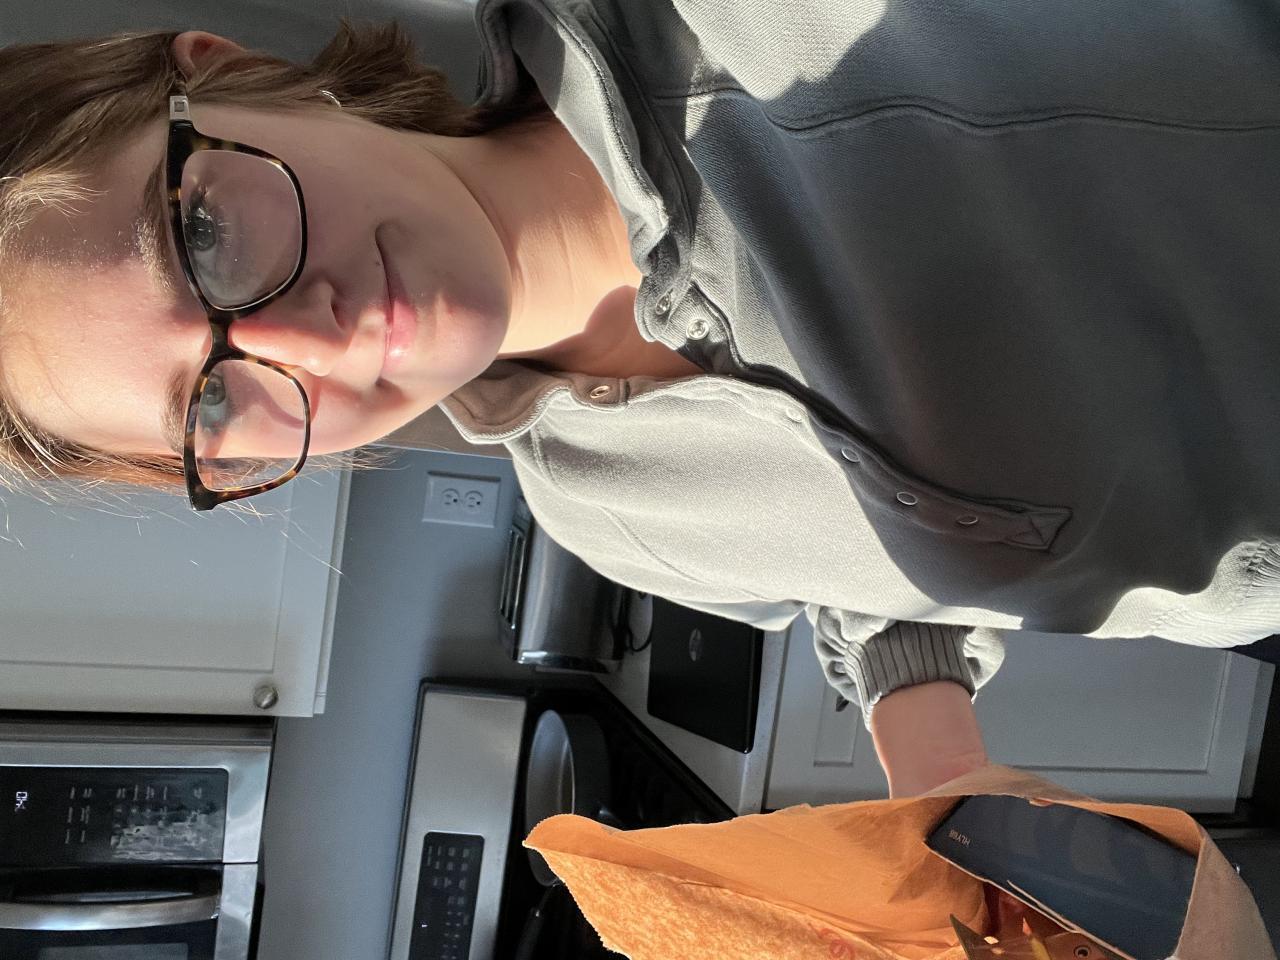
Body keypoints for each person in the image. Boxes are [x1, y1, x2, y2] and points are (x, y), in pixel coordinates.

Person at [2, 1, 1278, 798]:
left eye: (204, 234)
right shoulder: (599, 512)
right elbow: (852, 570)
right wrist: (938, 773)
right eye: (209, 409)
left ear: (230, 75)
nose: (300, 337)